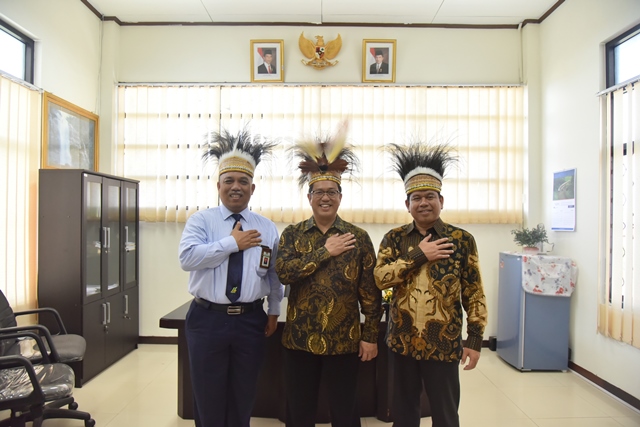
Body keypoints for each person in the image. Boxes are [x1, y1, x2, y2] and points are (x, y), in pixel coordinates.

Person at [374, 141, 488, 427]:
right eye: (416, 198)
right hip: (402, 340)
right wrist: (418, 255)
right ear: (407, 205)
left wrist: (474, 340)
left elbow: (474, 292)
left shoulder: (461, 240)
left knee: (445, 413)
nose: (423, 202)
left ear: (441, 201)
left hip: (444, 341)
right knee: (403, 412)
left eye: (430, 196)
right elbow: (380, 278)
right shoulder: (394, 238)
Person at [275, 123, 383, 427]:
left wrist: (370, 337)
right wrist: (325, 251)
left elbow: (370, 292)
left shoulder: (358, 237)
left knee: (345, 410)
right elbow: (283, 273)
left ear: (340, 196)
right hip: (299, 340)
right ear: (309, 196)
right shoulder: (293, 234)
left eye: (332, 192)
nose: (326, 197)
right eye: (319, 192)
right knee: (299, 411)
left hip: (344, 341)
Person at [178, 128, 284, 427]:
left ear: (252, 188)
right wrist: (231, 244)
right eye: (229, 181)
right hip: (207, 320)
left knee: (244, 393)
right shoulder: (201, 221)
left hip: (251, 320)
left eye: (243, 181)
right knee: (207, 395)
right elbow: (187, 259)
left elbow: (274, 274)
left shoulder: (267, 227)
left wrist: (274, 311)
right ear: (218, 186)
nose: (236, 187)